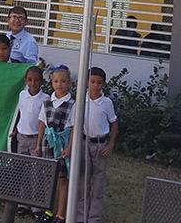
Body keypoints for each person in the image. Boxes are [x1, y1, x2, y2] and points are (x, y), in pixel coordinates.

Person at [76, 67, 118, 223]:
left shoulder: (106, 103)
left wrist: (111, 144)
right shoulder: (81, 100)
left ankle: (94, 217)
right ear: (87, 82)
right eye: (92, 82)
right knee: (83, 180)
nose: (95, 85)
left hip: (100, 145)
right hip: (84, 142)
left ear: (103, 84)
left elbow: (114, 123)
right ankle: (81, 216)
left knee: (98, 182)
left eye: (99, 83)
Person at [36, 65, 75, 223]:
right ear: (52, 83)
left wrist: (69, 147)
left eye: (63, 81)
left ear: (69, 83)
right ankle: (48, 210)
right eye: (56, 81)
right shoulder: (47, 102)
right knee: (49, 178)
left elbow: (73, 128)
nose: (59, 84)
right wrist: (38, 144)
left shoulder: (72, 103)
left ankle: (60, 214)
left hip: (62, 143)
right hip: (48, 142)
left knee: (62, 179)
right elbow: (42, 123)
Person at [11, 66, 49, 217]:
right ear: (26, 80)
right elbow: (19, 114)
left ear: (41, 81)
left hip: (35, 138)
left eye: (36, 80)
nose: (33, 83)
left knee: (37, 172)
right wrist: (14, 130)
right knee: (23, 170)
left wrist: (39, 142)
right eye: (30, 80)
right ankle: (23, 203)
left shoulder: (45, 99)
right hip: (22, 137)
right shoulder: (22, 95)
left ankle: (36, 206)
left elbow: (43, 121)